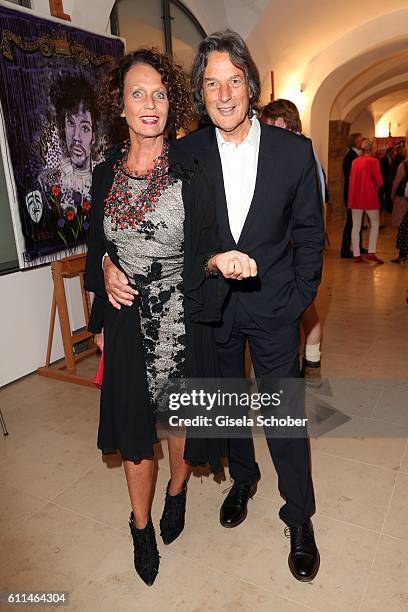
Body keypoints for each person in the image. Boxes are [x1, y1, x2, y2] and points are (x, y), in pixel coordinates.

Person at [104, 30, 324, 582]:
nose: (223, 94)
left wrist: (297, 300)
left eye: (233, 81)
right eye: (210, 83)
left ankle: (299, 517)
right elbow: (138, 219)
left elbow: (311, 237)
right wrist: (108, 260)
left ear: (249, 84)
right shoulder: (186, 153)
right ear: (200, 95)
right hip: (210, 311)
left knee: (283, 418)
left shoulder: (294, 152)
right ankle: (243, 478)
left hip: (275, 311)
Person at [84, 48, 257, 587]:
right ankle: (140, 526)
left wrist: (218, 259)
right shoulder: (104, 172)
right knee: (137, 431)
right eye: (138, 93)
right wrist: (107, 266)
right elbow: (96, 248)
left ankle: (177, 493)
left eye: (159, 93)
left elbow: (205, 243)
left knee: (178, 423)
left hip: (182, 318)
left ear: (172, 102)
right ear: (121, 105)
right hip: (126, 318)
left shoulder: (191, 169)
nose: (150, 104)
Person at [261, 99, 324, 387]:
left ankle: (310, 364)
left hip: (296, 252)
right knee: (304, 310)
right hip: (285, 253)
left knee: (303, 306)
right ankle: (310, 363)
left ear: (286, 122)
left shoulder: (300, 153)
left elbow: (312, 209)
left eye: (272, 123)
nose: (266, 128)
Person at [39, 75, 100, 211]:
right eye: (71, 123)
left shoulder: (104, 178)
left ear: (94, 137)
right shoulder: (51, 182)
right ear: (63, 129)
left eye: (85, 128)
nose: (76, 137)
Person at [348, 138, 383, 263]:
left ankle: (356, 254)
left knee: (356, 226)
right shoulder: (373, 161)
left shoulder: (355, 161)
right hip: (369, 197)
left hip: (355, 197)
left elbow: (351, 179)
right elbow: (379, 181)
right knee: (374, 223)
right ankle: (371, 252)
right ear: (372, 148)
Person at [340, 132, 367, 258]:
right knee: (351, 223)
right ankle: (345, 250)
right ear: (356, 141)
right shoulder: (350, 156)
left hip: (359, 194)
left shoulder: (357, 155)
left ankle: (358, 247)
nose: (363, 142)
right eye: (361, 140)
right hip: (352, 194)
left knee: (359, 222)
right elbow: (350, 177)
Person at [380, 146, 395, 214]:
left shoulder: (392, 159)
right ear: (388, 152)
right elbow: (382, 170)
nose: (393, 152)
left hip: (389, 181)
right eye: (392, 151)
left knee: (388, 195)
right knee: (382, 195)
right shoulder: (383, 159)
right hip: (384, 180)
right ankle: (382, 209)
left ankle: (388, 209)